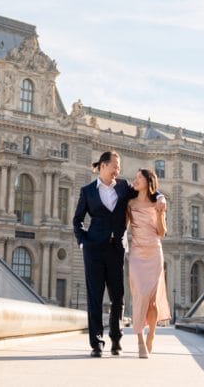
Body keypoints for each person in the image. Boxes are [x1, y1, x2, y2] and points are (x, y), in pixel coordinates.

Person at [73, 150, 131, 357]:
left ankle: (116, 338)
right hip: (94, 250)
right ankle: (96, 342)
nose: (118, 170)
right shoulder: (88, 191)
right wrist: (82, 242)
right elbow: (77, 220)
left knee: (118, 296)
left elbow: (145, 192)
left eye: (119, 167)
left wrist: (160, 198)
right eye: (115, 166)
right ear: (104, 166)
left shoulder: (124, 187)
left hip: (116, 249)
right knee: (94, 297)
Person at [126, 168, 171, 359]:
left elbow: (161, 233)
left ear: (147, 181)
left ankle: (151, 333)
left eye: (138, 178)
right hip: (136, 253)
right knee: (140, 296)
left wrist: (160, 214)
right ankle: (139, 340)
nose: (134, 180)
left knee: (151, 301)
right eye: (135, 177)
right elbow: (123, 227)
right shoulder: (129, 203)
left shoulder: (158, 203)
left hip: (154, 252)